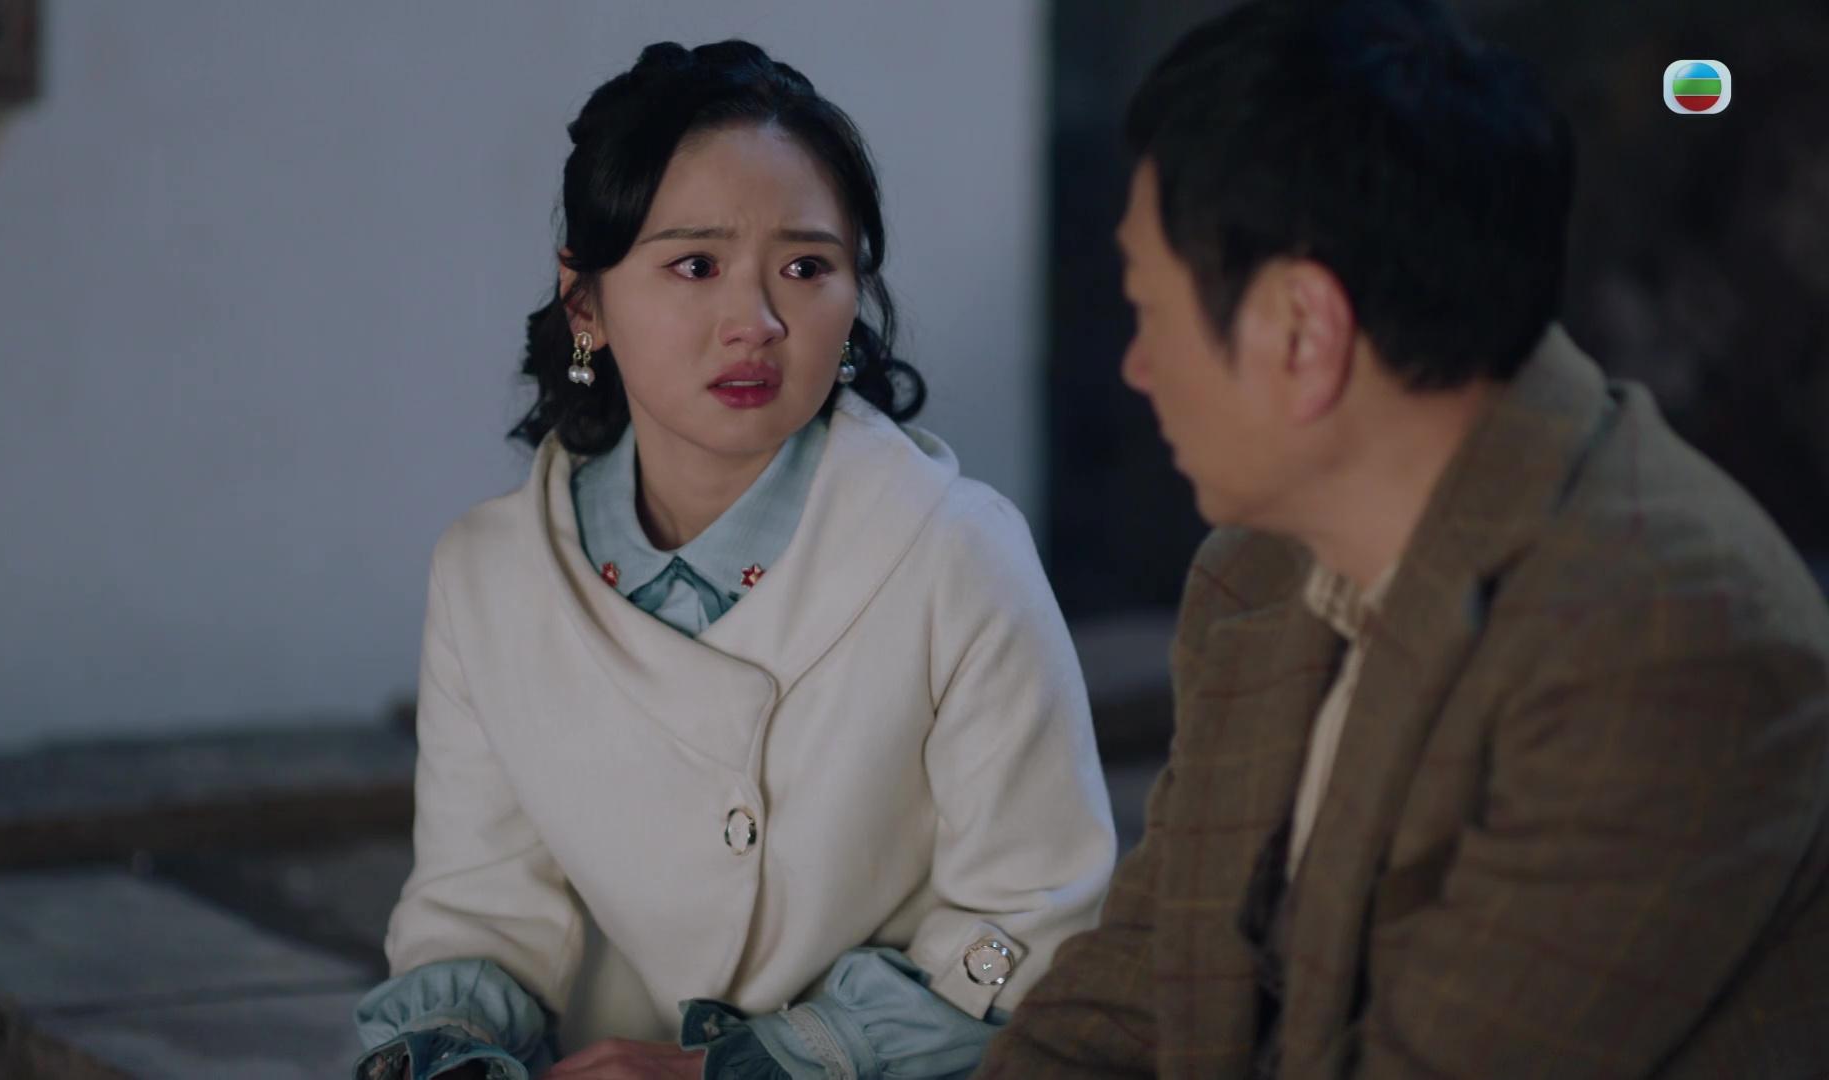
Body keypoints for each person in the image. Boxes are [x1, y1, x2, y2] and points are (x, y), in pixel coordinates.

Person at [976, 0, 1829, 1076]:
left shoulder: (1669, 639)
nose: (1136, 368)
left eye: (1148, 310)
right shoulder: (1259, 567)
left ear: (1303, 333)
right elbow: (1130, 995)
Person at [350, 40, 1117, 1080]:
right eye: (695, 266)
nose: (754, 325)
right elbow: (479, 913)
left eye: (806, 268)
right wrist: (447, 1052)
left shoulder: (955, 551)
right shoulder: (491, 575)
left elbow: (1030, 927)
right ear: (585, 303)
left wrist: (750, 1067)